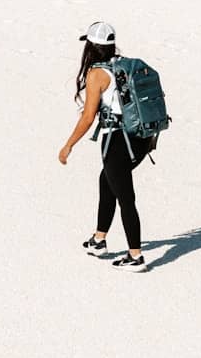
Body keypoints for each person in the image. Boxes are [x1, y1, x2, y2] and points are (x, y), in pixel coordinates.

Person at [58, 21, 151, 271]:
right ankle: (99, 239)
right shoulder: (122, 65)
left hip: (117, 141)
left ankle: (135, 256)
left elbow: (88, 117)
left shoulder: (97, 74)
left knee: (125, 197)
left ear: (91, 46)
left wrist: (68, 146)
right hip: (140, 139)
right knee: (107, 181)